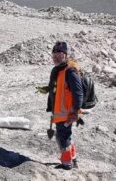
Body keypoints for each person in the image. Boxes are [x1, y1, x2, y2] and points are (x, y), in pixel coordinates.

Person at [45, 41, 85, 170]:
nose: (56, 56)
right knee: (65, 135)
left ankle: (66, 163)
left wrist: (75, 111)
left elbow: (78, 92)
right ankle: (73, 159)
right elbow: (58, 89)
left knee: (62, 136)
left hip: (67, 112)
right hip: (60, 112)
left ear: (65, 55)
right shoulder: (59, 70)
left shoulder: (70, 71)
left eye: (59, 53)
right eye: (54, 54)